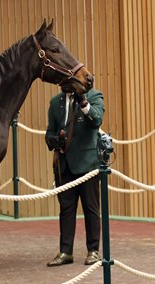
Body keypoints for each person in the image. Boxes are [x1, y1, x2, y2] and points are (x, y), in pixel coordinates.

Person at [45, 87, 105, 267]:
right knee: (66, 209)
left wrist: (84, 103)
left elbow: (97, 121)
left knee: (91, 208)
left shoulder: (94, 96)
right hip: (64, 165)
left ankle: (93, 251)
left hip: (88, 164)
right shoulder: (56, 102)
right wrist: (52, 140)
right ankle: (65, 252)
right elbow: (49, 132)